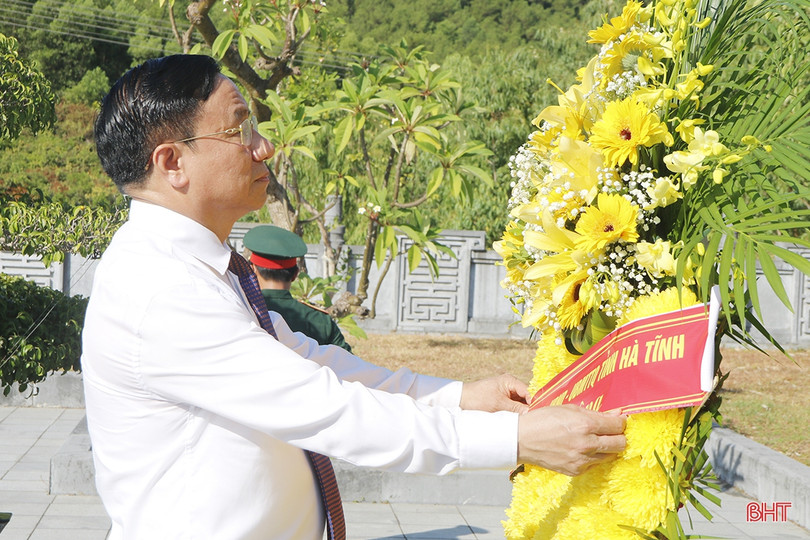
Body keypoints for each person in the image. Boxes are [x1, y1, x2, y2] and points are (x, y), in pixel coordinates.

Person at [82, 54, 626, 540]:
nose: (263, 147)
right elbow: (329, 409)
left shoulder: (200, 267)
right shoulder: (161, 290)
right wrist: (515, 439)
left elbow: (316, 364)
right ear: (172, 162)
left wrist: (458, 396)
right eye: (239, 130)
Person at [242, 225, 352, 352]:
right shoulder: (321, 320)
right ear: (295, 275)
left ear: (252, 270)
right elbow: (349, 363)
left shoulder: (243, 312)